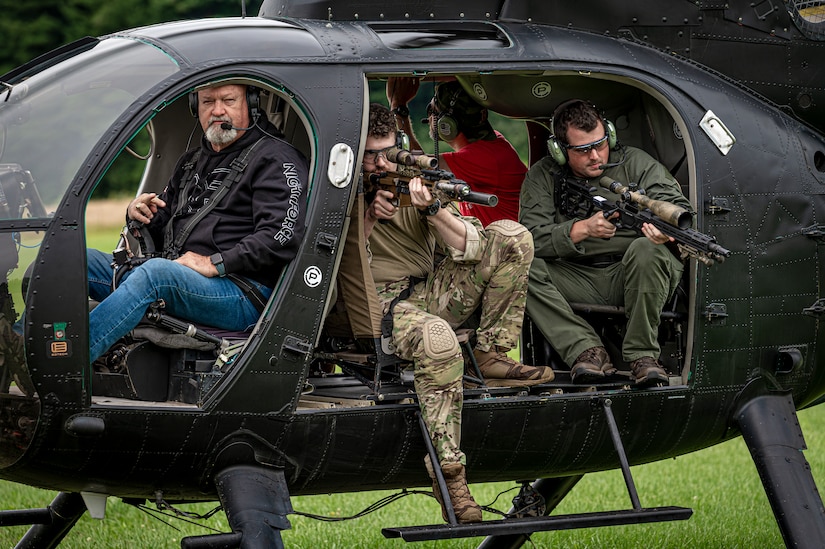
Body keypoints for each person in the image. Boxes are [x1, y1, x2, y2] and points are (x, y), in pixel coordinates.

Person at [363, 103, 553, 523]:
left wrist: (431, 209)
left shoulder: (411, 184)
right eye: (372, 155)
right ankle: (450, 476)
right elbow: (333, 262)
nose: (381, 163)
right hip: (374, 304)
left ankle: (491, 351)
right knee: (438, 339)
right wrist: (369, 217)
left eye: (388, 152)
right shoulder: (337, 191)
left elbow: (473, 245)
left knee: (512, 236)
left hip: (427, 292)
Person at [87, 83, 307, 362]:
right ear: (196, 107)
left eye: (228, 100)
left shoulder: (277, 159)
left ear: (250, 104)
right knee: (72, 262)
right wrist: (140, 214)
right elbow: (166, 224)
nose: (217, 110)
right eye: (207, 102)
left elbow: (280, 236)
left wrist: (215, 262)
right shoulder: (191, 161)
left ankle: (66, 366)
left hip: (241, 292)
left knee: (155, 275)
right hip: (179, 279)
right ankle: (22, 352)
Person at [519, 99, 692, 387]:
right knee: (519, 264)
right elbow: (528, 237)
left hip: (632, 272)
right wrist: (580, 229)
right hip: (574, 275)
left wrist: (667, 232)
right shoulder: (543, 175)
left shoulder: (636, 164)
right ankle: (586, 350)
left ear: (609, 135)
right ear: (560, 151)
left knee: (648, 249)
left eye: (601, 144)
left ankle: (643, 356)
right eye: (584, 149)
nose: (596, 155)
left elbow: (675, 207)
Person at [387, 77, 526, 226]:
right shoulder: (491, 145)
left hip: (504, 246)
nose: (429, 118)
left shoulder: (482, 157)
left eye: (432, 111)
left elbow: (414, 165)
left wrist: (398, 106)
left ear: (446, 124)